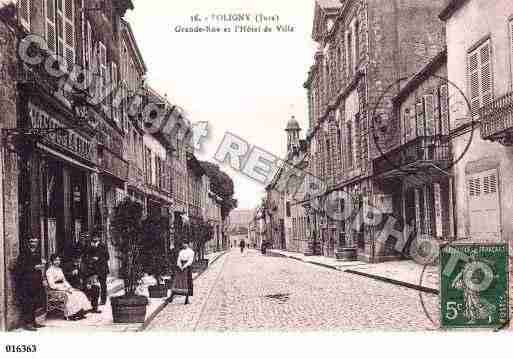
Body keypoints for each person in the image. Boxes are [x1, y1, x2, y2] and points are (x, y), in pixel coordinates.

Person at [46, 254, 92, 320]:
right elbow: (52, 285)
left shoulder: (59, 269)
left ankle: (80, 312)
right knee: (70, 296)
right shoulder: (49, 271)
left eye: (58, 260)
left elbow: (64, 280)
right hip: (56, 290)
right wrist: (63, 289)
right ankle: (70, 315)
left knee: (79, 293)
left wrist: (69, 287)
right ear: (52, 261)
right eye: (56, 260)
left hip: (64, 287)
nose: (58, 262)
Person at [15, 238, 46, 331]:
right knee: (27, 303)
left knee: (35, 303)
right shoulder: (24, 254)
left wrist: (42, 278)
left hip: (36, 282)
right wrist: (34, 267)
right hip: (27, 282)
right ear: (28, 242)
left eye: (36, 242)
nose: (34, 243)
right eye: (32, 241)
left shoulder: (37, 253)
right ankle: (27, 324)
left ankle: (33, 321)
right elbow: (21, 268)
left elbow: (39, 267)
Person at [83, 235, 109, 305]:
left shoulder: (103, 246)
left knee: (103, 284)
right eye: (94, 237)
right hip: (93, 269)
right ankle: (92, 300)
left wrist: (98, 258)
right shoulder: (90, 245)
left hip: (102, 268)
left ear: (99, 238)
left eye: (96, 237)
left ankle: (103, 300)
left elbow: (107, 257)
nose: (95, 238)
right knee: (92, 284)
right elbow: (86, 255)